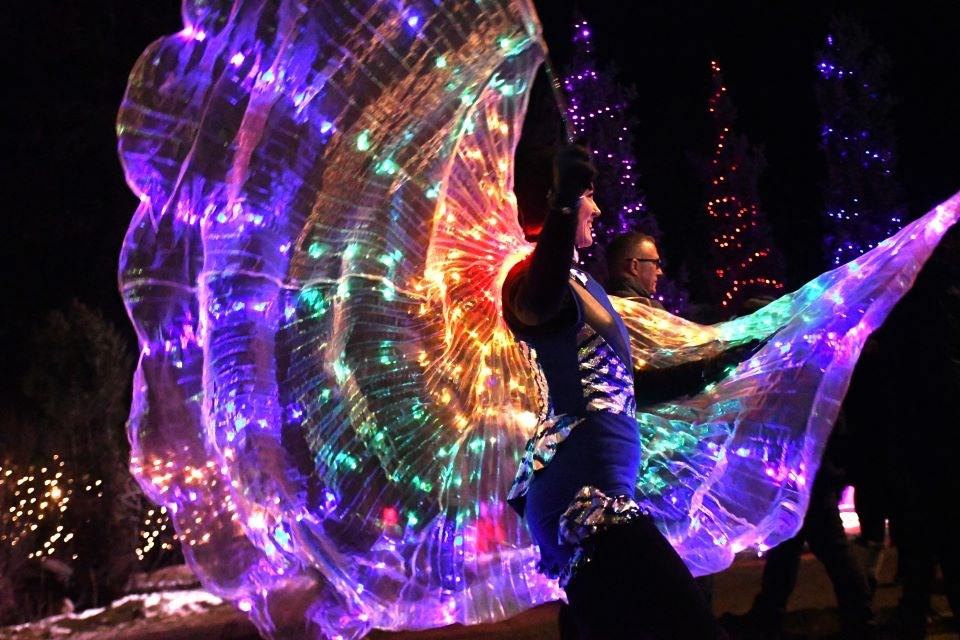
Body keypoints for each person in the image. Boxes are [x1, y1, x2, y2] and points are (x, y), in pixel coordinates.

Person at [503, 142, 755, 639]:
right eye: (587, 197)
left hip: (598, 494)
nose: (595, 209)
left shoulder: (581, 282)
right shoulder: (529, 279)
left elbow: (622, 386)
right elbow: (537, 300)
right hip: (586, 504)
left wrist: (721, 362)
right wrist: (561, 204)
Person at [605, 231, 665, 309]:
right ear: (634, 266)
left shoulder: (599, 305)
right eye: (655, 263)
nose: (660, 272)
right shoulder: (651, 311)